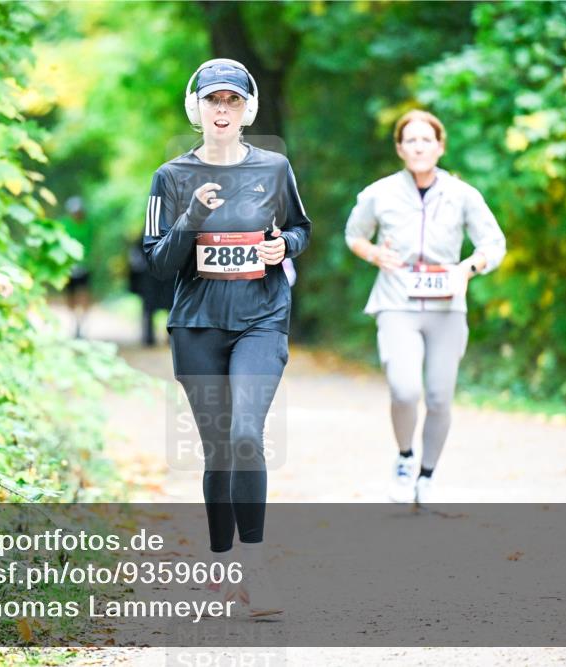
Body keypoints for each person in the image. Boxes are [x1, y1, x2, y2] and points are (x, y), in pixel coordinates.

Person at [142, 59, 311, 616]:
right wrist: (191, 214)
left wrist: (282, 246)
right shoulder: (170, 177)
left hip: (262, 317)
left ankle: (256, 570)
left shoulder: (275, 166)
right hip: (197, 324)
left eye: (233, 101)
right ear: (197, 108)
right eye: (213, 100)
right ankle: (221, 563)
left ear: (247, 109)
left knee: (245, 434)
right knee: (218, 449)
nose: (222, 110)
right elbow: (160, 265)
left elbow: (300, 228)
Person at [344, 110, 506, 505]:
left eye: (426, 140)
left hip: (447, 307)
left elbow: (494, 243)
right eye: (410, 140)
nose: (418, 147)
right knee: (404, 389)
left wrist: (469, 267)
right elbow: (354, 235)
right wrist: (374, 255)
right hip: (396, 302)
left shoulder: (462, 194)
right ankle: (404, 458)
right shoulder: (379, 193)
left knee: (438, 397)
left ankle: (427, 475)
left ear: (440, 146)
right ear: (400, 148)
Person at [127, 237, 174, 346]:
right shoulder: (170, 227)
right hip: (157, 277)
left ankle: (152, 338)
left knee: (155, 308)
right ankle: (153, 337)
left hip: (155, 276)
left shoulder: (147, 232)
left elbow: (136, 257)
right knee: (167, 307)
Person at [62, 195, 91, 338]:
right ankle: (74, 321)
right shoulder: (64, 225)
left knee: (84, 295)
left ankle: (82, 324)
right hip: (68, 267)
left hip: (84, 266)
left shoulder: (86, 226)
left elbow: (90, 245)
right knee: (71, 297)